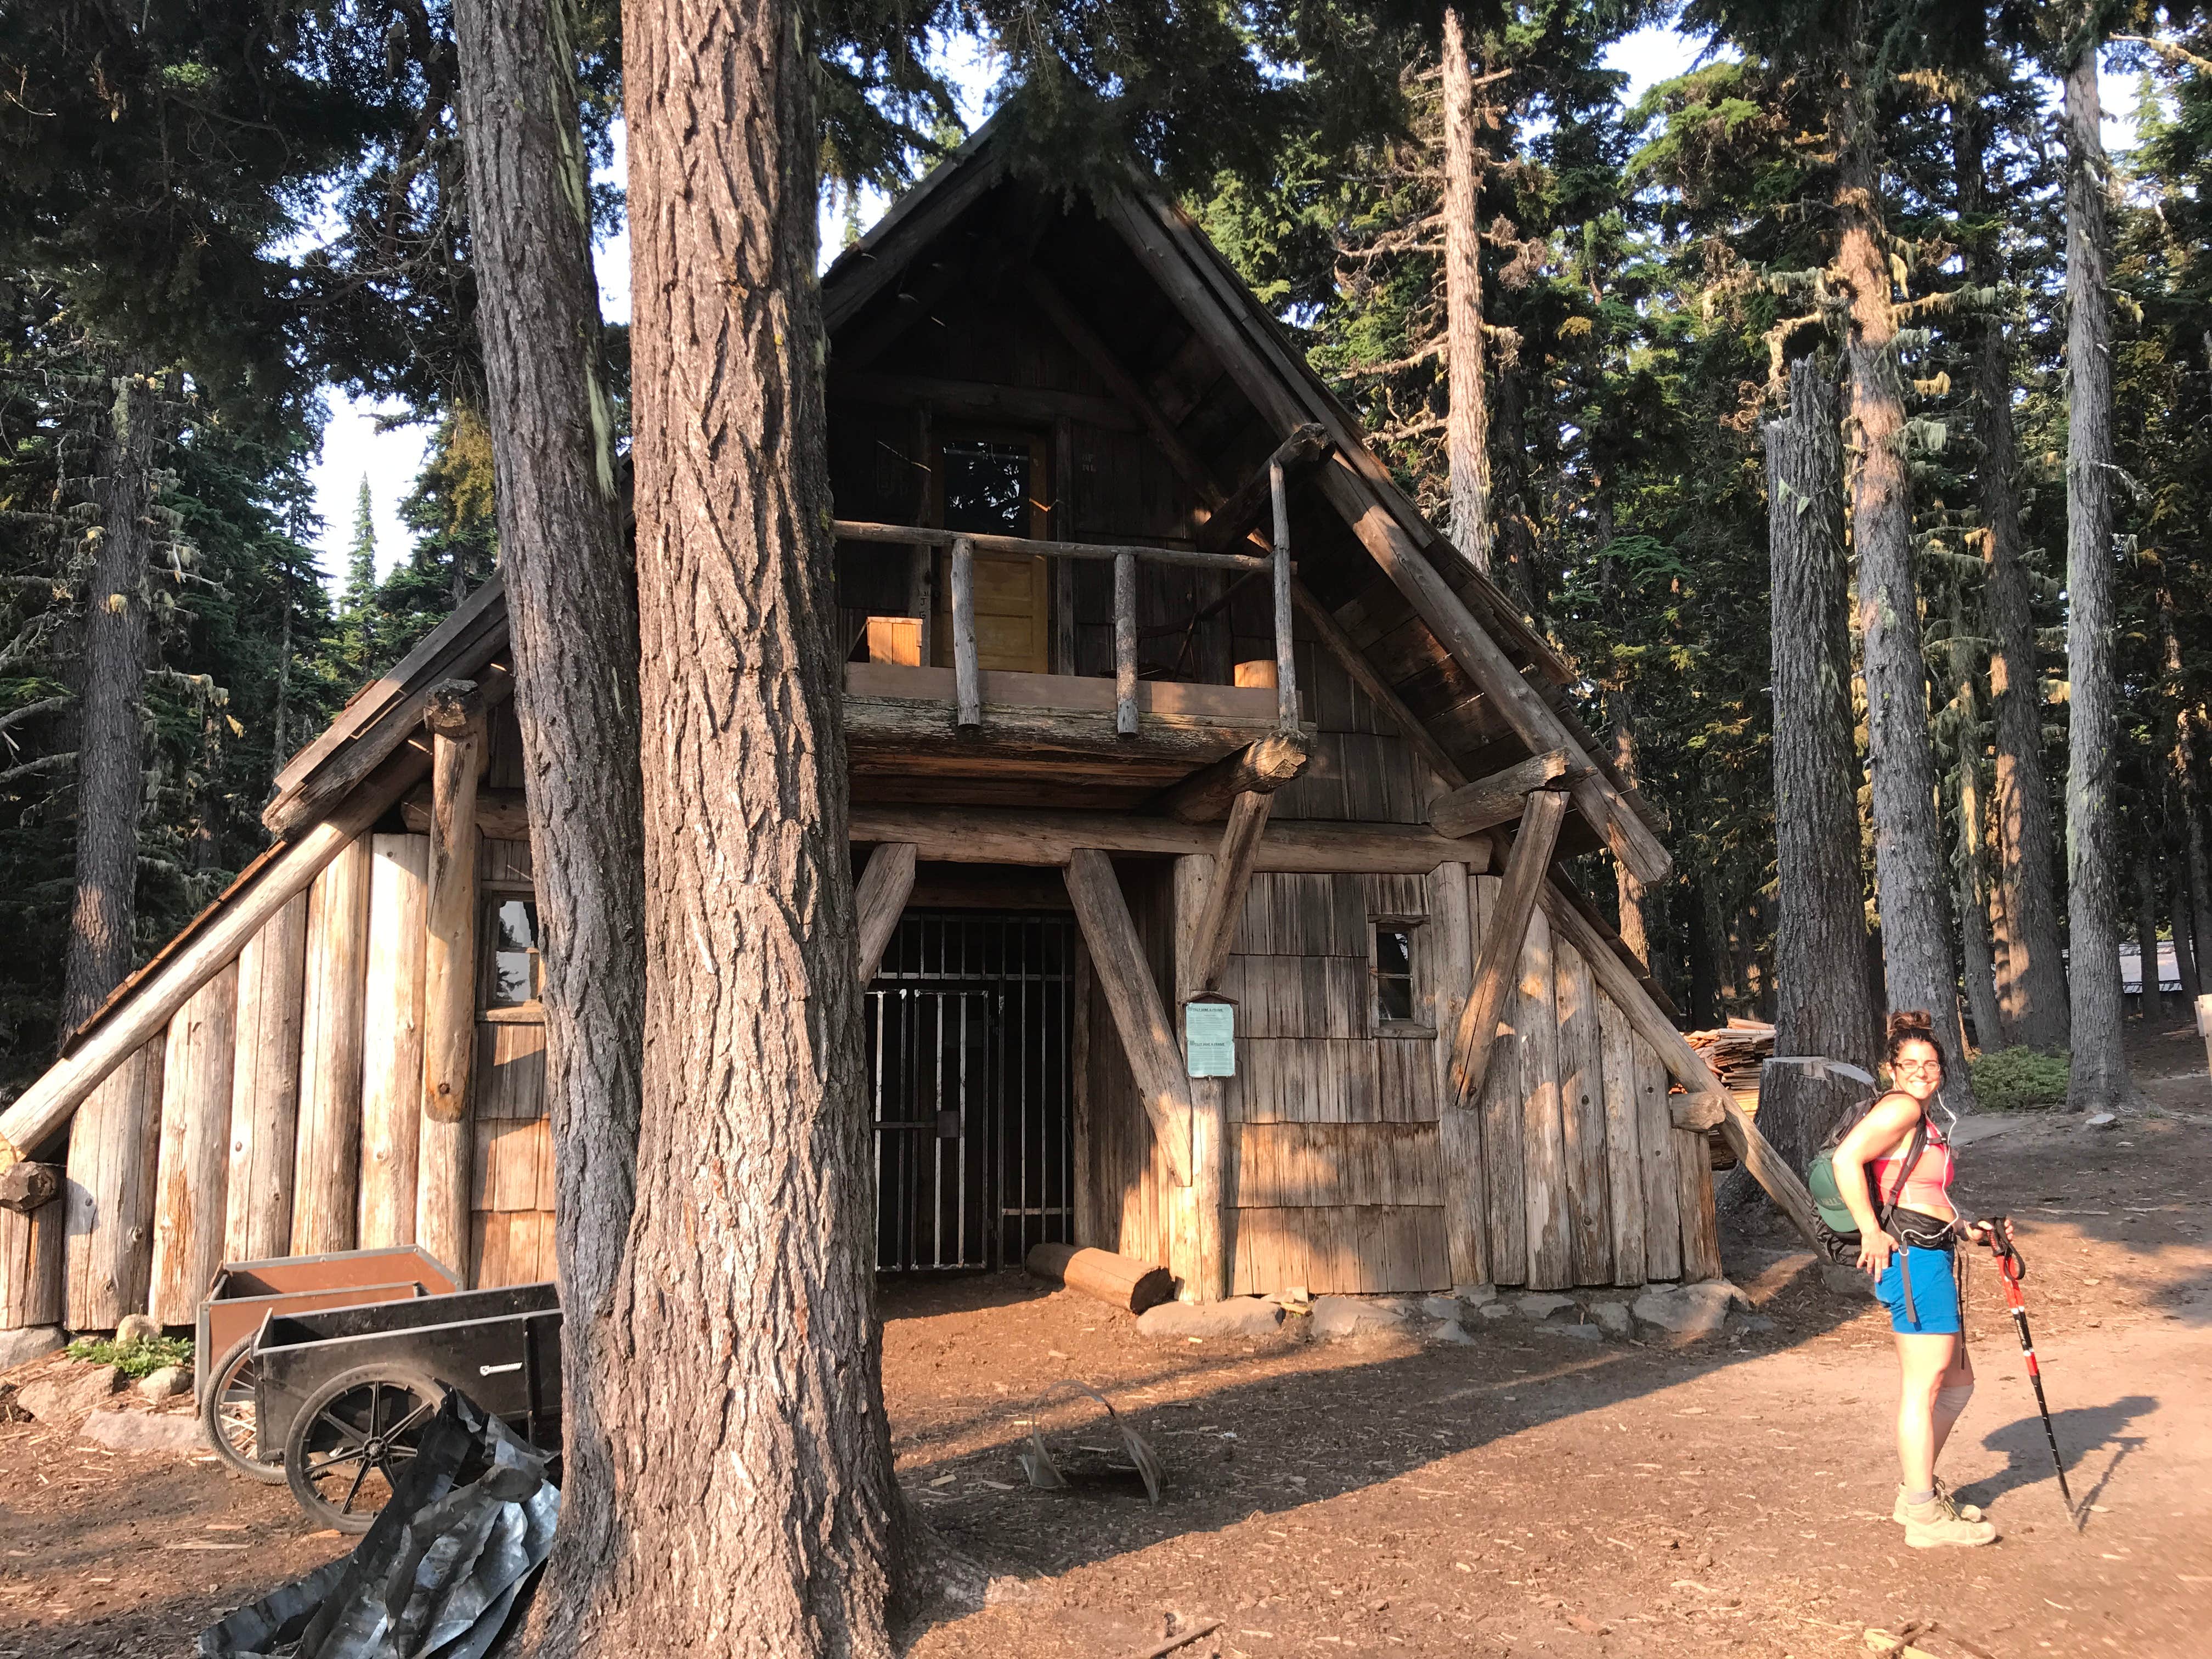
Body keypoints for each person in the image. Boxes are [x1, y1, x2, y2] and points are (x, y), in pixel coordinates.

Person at [1831, 1009, 2004, 1548]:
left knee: (1957, 1385)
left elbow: (1925, 1194)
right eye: (1910, 1064)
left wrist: (1972, 1229)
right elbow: (1845, 1160)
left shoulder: (1924, 1121)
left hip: (1934, 1250)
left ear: (1943, 1069)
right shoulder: (1902, 1107)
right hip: (1912, 1259)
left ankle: (1916, 1493)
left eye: (1930, 1064)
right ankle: (1923, 1516)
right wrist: (1869, 1231)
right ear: (1892, 1070)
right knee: (1926, 1386)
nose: (1922, 1072)